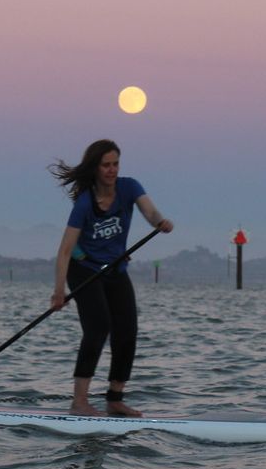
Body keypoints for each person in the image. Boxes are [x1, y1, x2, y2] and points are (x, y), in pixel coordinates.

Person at [48, 139, 174, 417]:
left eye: (115, 164)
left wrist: (160, 222)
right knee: (98, 328)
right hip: (84, 270)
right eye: (106, 165)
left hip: (115, 269)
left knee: (127, 332)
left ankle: (115, 399)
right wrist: (59, 292)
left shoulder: (129, 187)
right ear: (95, 168)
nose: (112, 170)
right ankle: (79, 401)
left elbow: (149, 211)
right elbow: (65, 249)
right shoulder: (85, 203)